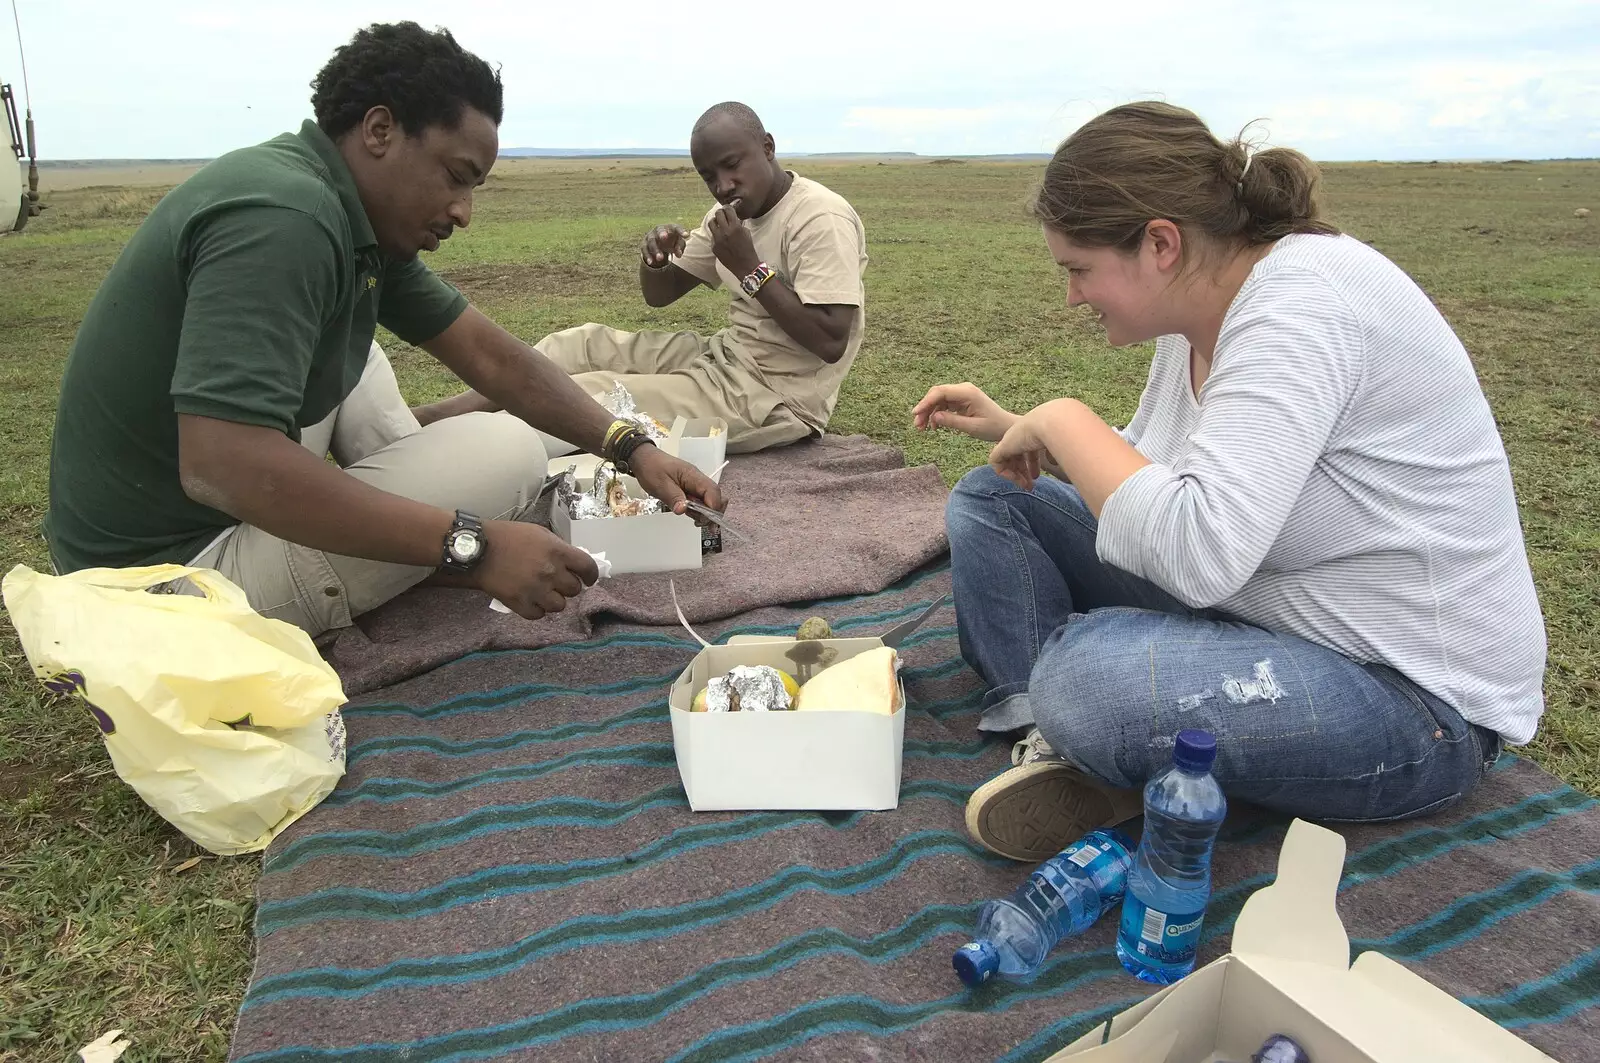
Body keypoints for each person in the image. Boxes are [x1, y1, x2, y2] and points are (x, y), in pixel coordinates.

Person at [914, 102, 1546, 863]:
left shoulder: (1300, 310)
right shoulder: (1205, 309)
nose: (1072, 297)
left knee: (1087, 677)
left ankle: (1083, 718)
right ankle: (1050, 743)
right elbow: (1153, 473)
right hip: (1274, 613)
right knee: (995, 499)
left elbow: (1198, 550)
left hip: (1411, 700)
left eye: (1078, 269)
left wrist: (1063, 416)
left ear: (1160, 244)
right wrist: (1021, 426)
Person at [43, 22, 721, 637]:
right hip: (159, 587)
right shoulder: (288, 219)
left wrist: (631, 448)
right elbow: (223, 462)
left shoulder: (343, 213)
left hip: (179, 524)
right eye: (457, 177)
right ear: (378, 131)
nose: (464, 212)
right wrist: (473, 545)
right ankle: (430, 540)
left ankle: (412, 530)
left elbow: (495, 359)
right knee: (510, 452)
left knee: (355, 351)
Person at [430, 102, 869, 454]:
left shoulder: (817, 216)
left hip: (773, 397)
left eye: (732, 165)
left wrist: (750, 269)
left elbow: (830, 341)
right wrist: (655, 260)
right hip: (724, 359)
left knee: (588, 395)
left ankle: (444, 450)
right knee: (579, 344)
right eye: (708, 176)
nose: (722, 185)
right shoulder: (729, 217)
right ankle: (434, 419)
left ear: (768, 147)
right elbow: (660, 295)